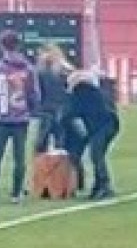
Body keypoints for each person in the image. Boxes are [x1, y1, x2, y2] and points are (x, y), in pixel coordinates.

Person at [0, 30, 40, 204]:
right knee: (19, 157)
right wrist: (30, 109)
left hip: (1, 119)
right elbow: (35, 95)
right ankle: (16, 194)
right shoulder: (28, 69)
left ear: (1, 46)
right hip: (21, 119)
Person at [62, 68, 121, 201]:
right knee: (97, 155)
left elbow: (70, 113)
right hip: (108, 124)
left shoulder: (81, 92)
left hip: (103, 125)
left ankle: (104, 185)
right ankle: (99, 185)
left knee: (96, 154)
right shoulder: (95, 92)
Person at [34, 45, 73, 157]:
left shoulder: (64, 71)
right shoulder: (41, 72)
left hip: (57, 109)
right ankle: (43, 167)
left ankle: (57, 168)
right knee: (43, 141)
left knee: (57, 141)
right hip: (49, 109)